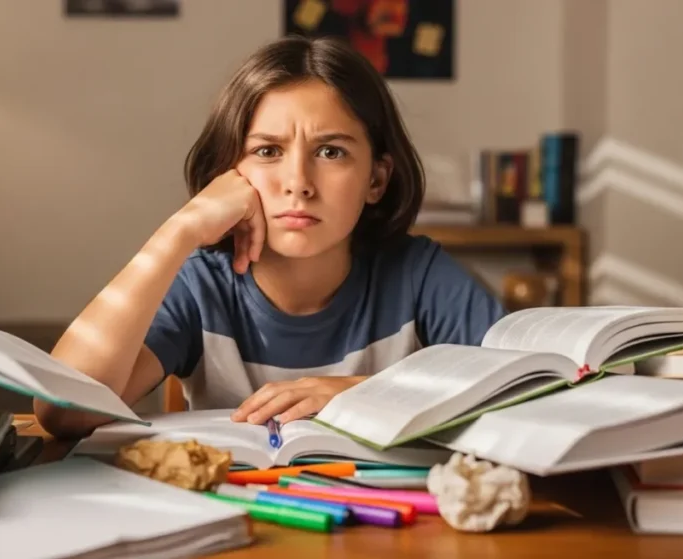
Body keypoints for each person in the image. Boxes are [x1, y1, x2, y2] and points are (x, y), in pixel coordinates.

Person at [34, 35, 507, 439]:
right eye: (267, 151)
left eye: (330, 151)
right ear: (228, 177)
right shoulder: (201, 287)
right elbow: (61, 411)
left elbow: (535, 389)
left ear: (376, 180)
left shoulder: (418, 275)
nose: (298, 181)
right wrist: (180, 230)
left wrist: (368, 391)